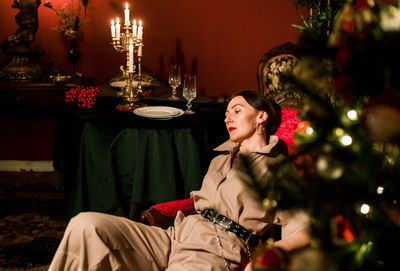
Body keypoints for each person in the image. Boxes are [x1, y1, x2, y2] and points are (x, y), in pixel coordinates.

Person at [48, 90, 309, 271]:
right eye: (226, 112)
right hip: (176, 235)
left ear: (261, 116)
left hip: (218, 249)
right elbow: (195, 202)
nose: (228, 117)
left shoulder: (277, 169)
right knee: (87, 225)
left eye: (237, 110)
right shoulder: (221, 157)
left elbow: (307, 228)